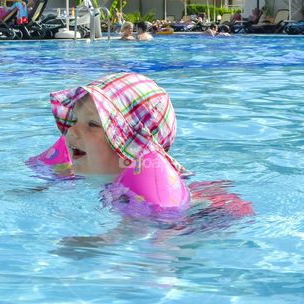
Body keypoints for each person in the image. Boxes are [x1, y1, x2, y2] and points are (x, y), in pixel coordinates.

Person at [27, 72, 190, 213]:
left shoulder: (152, 198)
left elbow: (142, 232)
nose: (71, 131)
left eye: (92, 124)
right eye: (74, 120)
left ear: (132, 147)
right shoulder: (68, 172)